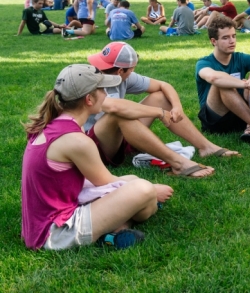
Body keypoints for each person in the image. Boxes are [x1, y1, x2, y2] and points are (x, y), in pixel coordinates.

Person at [21, 64, 172, 250]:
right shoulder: (77, 141)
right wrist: (153, 190)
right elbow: (107, 182)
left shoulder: (56, 124)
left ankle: (113, 230)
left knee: (133, 181)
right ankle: (112, 233)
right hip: (55, 232)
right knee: (143, 190)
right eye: (102, 90)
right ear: (89, 99)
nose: (106, 94)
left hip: (43, 223)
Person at [86, 42, 238, 178]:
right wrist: (159, 112)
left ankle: (206, 147)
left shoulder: (122, 76)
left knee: (160, 97)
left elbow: (163, 85)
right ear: (121, 71)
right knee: (120, 114)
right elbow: (115, 107)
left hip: (118, 138)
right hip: (93, 149)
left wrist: (177, 106)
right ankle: (179, 164)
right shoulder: (90, 81)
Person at [195, 12, 250, 146]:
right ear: (214, 41)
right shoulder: (204, 63)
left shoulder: (241, 57)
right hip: (216, 120)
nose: (232, 41)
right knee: (222, 83)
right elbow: (213, 77)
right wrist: (247, 85)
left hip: (241, 115)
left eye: (234, 36)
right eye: (225, 38)